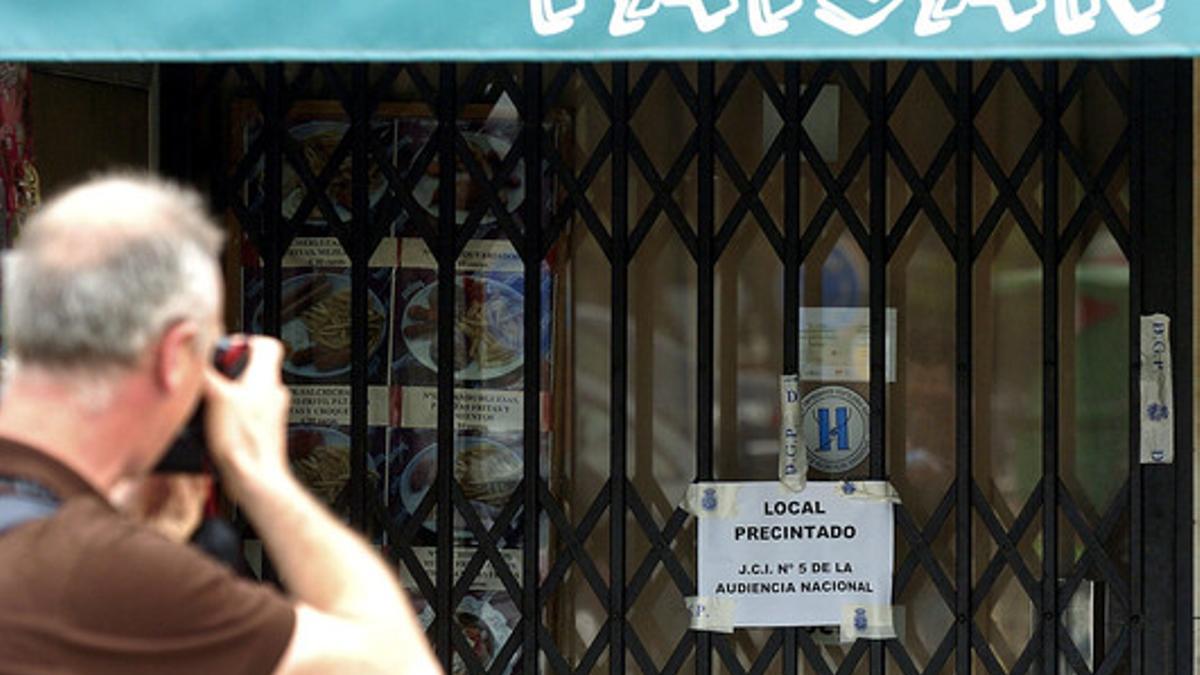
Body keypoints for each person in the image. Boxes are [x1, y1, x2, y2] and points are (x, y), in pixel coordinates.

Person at [0, 174, 440, 674]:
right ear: (173, 356)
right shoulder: (98, 572)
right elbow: (398, 664)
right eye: (208, 352)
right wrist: (259, 471)